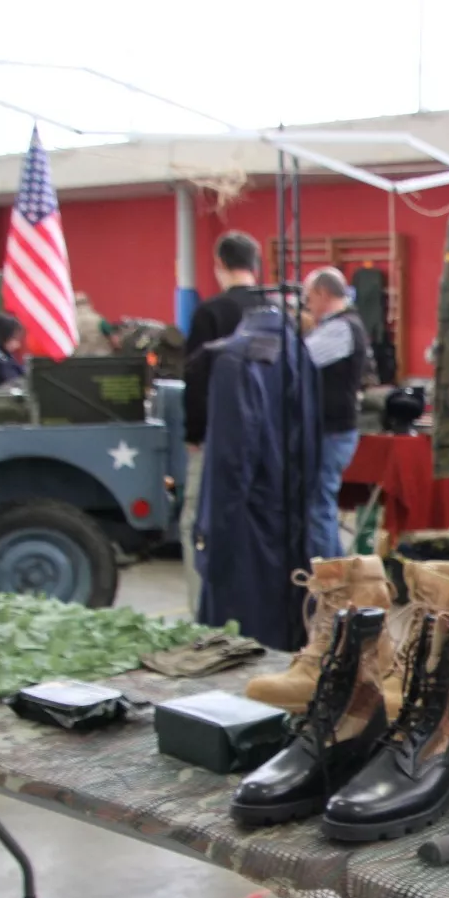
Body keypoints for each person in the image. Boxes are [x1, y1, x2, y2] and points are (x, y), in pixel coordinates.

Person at [181, 232, 267, 613]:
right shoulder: (276, 312)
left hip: (219, 435)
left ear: (219, 265)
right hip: (269, 438)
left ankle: (204, 610)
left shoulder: (210, 313)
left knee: (197, 522)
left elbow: (196, 378)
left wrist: (193, 433)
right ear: (256, 264)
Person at [302, 266, 369, 559]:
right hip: (332, 430)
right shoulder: (342, 325)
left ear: (322, 294)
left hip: (332, 432)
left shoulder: (340, 328)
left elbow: (299, 360)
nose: (308, 307)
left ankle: (333, 581)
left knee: (318, 509)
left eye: (308, 299)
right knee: (319, 507)